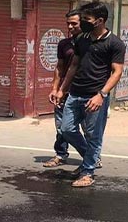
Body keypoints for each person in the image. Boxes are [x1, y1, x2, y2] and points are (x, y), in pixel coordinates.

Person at [52, 1, 126, 188]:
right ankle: (89, 159)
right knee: (66, 129)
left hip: (95, 96)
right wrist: (62, 89)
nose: (83, 22)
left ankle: (87, 172)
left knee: (93, 135)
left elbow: (117, 72)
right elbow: (74, 66)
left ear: (100, 20)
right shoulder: (81, 39)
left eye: (87, 19)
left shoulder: (115, 43)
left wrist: (101, 95)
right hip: (75, 94)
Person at [44, 10, 83, 168]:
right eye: (68, 23)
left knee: (88, 130)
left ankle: (91, 156)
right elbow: (59, 67)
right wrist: (55, 88)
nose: (70, 27)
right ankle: (60, 154)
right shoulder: (64, 44)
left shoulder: (91, 44)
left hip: (84, 92)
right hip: (64, 92)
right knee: (61, 127)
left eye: (74, 23)